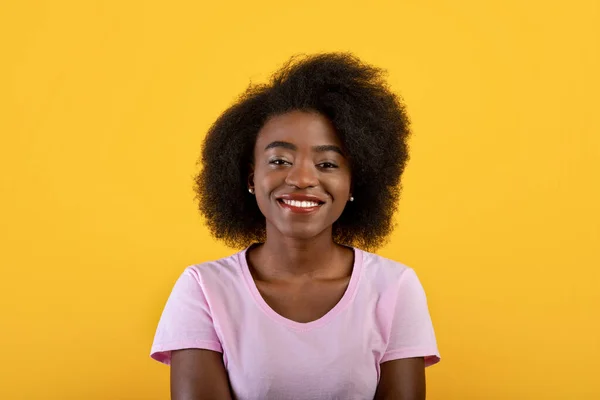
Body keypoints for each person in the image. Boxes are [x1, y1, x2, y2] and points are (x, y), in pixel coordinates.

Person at [150, 52, 440, 400]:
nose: (302, 178)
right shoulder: (203, 290)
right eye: (279, 160)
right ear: (250, 177)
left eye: (328, 163)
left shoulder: (394, 288)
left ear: (355, 183)